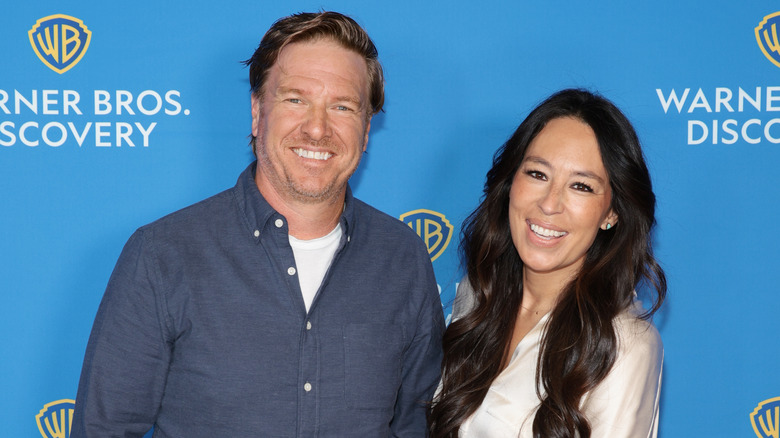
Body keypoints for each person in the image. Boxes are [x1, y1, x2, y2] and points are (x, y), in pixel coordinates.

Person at [72, 11, 445, 437]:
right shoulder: (163, 255)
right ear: (256, 113)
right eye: (295, 99)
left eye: (342, 106)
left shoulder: (403, 256)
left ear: (365, 131)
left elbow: (415, 427)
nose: (318, 128)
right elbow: (102, 429)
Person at [428, 89, 666, 438]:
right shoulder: (476, 297)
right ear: (511, 182)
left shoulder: (625, 343)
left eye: (581, 186)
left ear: (611, 213)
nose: (550, 203)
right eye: (538, 174)